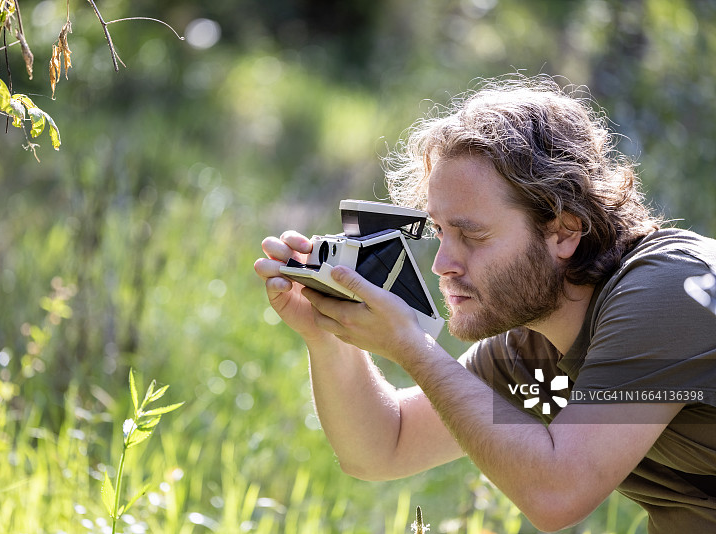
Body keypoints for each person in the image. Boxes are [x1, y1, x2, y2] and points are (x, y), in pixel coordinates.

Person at [253, 75, 716, 533]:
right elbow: (383, 447)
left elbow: (558, 494)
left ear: (564, 232)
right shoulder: (536, 350)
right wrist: (328, 330)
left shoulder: (671, 291)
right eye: (439, 232)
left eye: (472, 235)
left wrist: (414, 348)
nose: (442, 264)